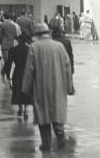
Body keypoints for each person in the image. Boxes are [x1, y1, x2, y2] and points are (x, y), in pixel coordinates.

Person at [22, 22, 73, 152]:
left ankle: (46, 144)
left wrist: (25, 89)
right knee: (57, 111)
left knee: (43, 115)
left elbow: (29, 70)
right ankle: (60, 133)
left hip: (41, 86)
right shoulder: (60, 46)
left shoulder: (34, 47)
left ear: (37, 35)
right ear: (48, 33)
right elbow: (68, 67)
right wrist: (69, 86)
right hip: (59, 85)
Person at [4, 32, 32, 119]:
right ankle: (26, 110)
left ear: (19, 41)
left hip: (18, 71)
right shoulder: (30, 49)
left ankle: (20, 108)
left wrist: (8, 75)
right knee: (27, 91)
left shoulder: (13, 49)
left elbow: (9, 63)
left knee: (18, 90)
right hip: (28, 72)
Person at [0, 12, 18, 78]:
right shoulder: (14, 25)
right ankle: (6, 74)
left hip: (4, 45)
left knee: (6, 60)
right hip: (12, 45)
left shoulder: (2, 25)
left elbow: (0, 36)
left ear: (3, 17)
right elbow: (15, 35)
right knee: (10, 60)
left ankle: (5, 73)